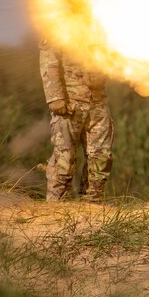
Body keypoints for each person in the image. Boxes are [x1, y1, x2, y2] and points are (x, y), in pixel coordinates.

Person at [39, 39, 114, 202]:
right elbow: (49, 58)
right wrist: (55, 97)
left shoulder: (97, 25)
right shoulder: (61, 23)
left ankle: (92, 201)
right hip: (69, 104)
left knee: (101, 156)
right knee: (64, 159)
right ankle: (57, 205)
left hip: (97, 103)